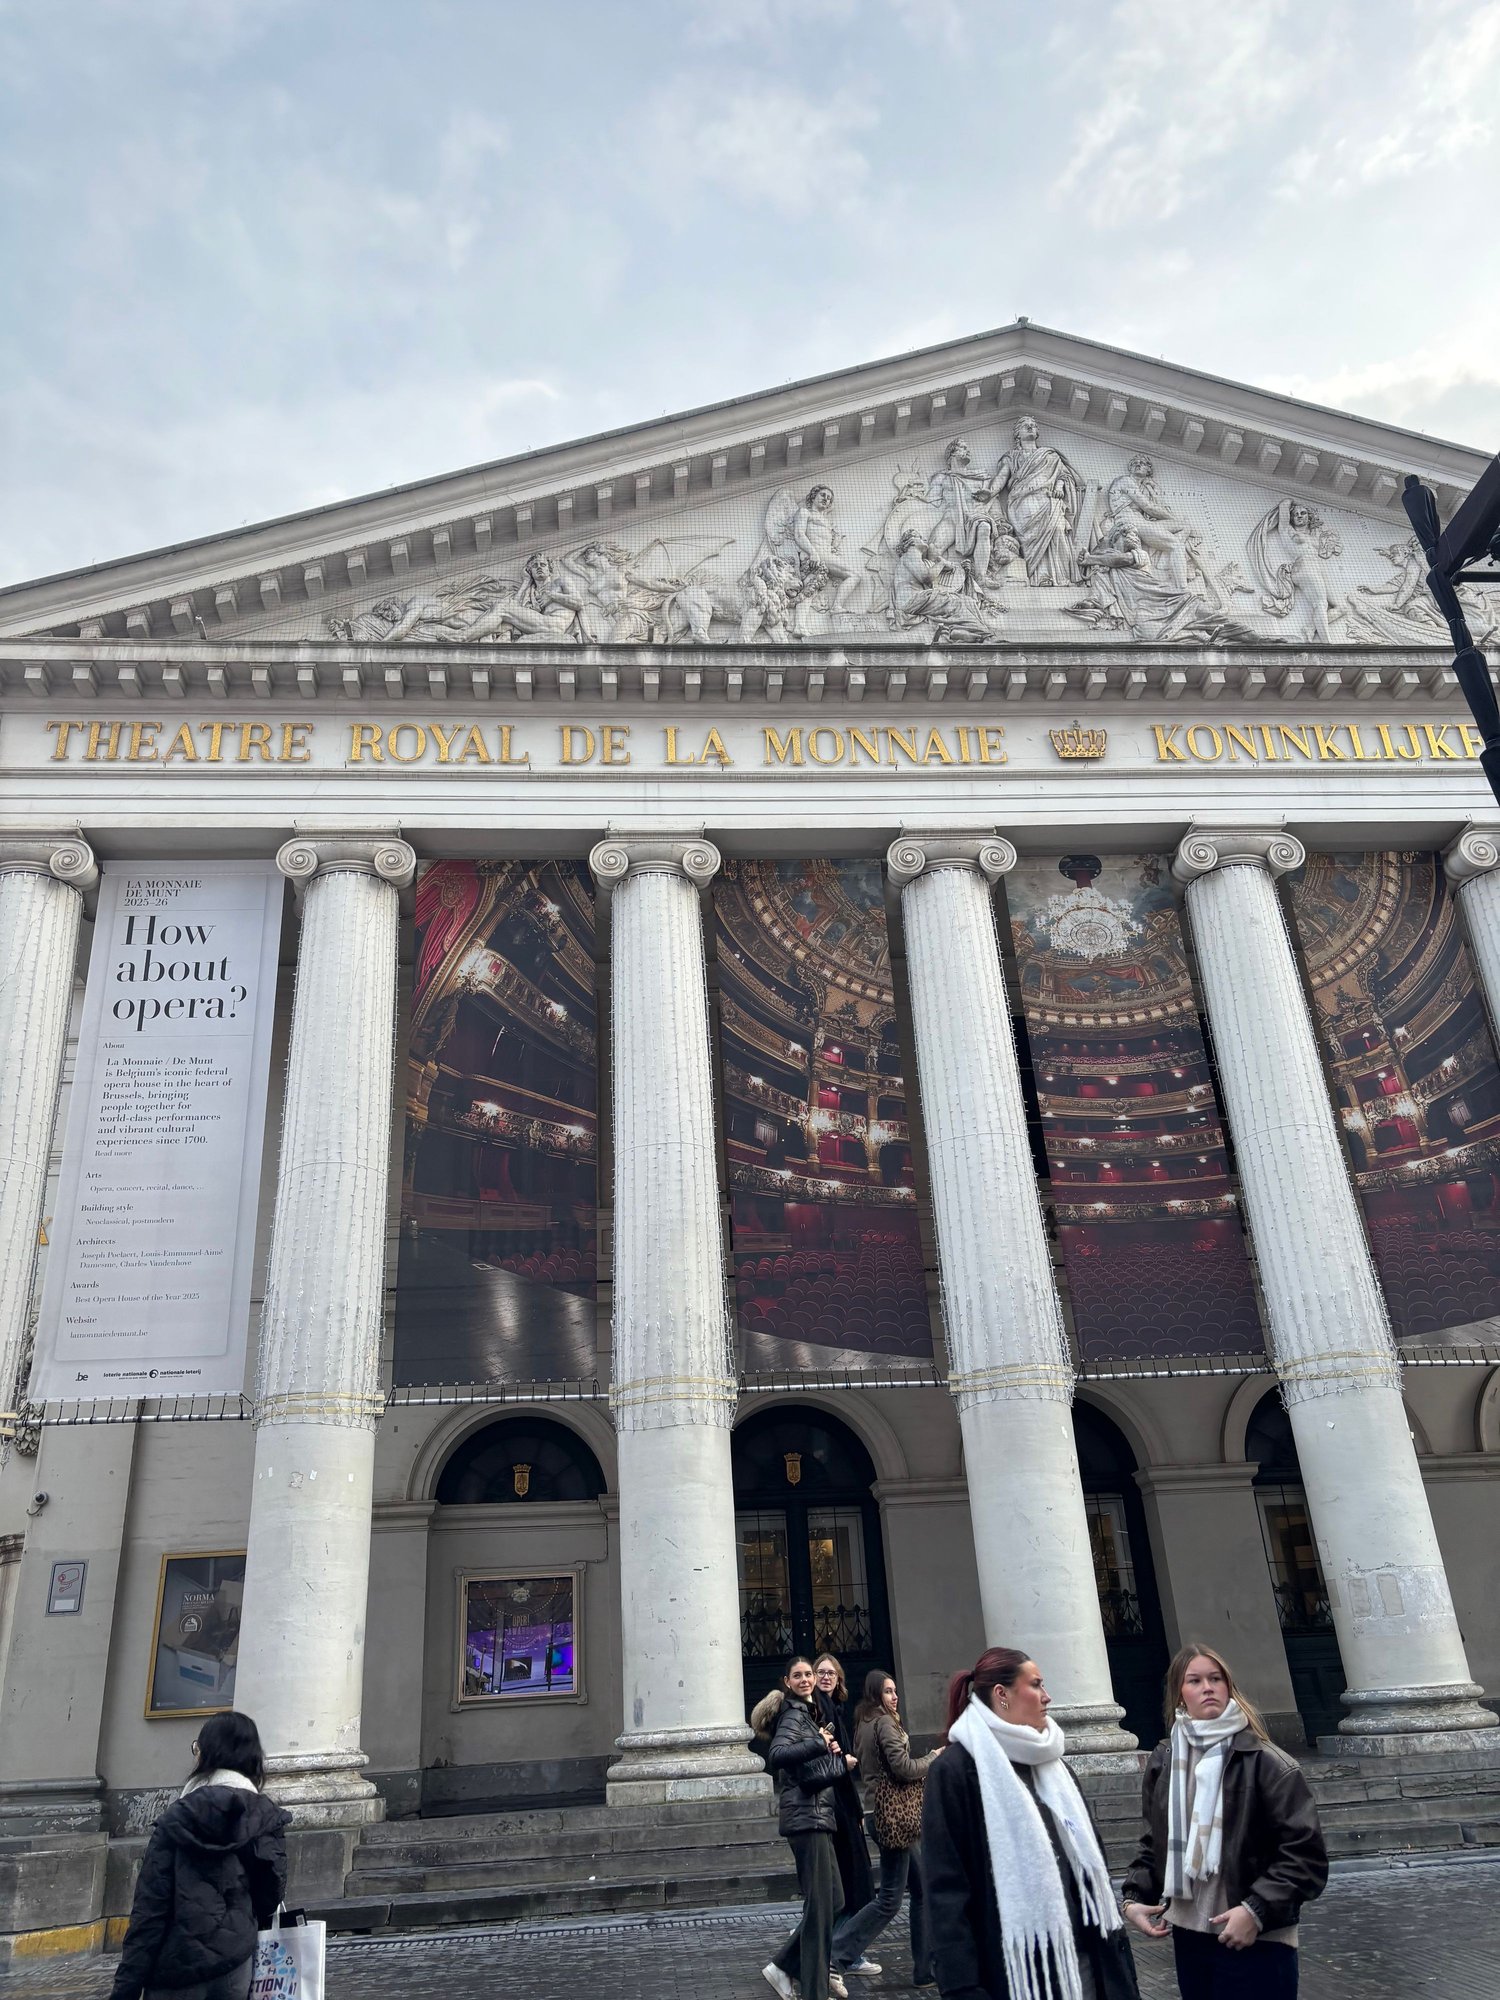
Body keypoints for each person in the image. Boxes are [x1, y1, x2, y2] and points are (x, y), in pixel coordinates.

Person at [923, 1647, 1139, 2000]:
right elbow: (945, 1888)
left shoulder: (1055, 1766)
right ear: (1002, 1695)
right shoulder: (956, 1772)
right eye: (1036, 1685)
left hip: (1086, 1966)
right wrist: (961, 1985)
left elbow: (1086, 1870)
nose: (1047, 1696)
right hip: (1014, 1974)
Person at [1121, 1644, 1327, 1999]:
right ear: (1179, 1695)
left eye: (1216, 1679)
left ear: (1229, 1687)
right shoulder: (1166, 1759)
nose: (1208, 1687)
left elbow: (1305, 1858)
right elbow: (1157, 1841)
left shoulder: (1268, 1763)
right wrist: (1134, 1897)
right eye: (1195, 1680)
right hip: (1189, 1934)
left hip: (1255, 1936)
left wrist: (1255, 1911)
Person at [111, 1711, 290, 2000]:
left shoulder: (176, 1818)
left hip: (174, 1972)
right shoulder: (262, 1817)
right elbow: (269, 1896)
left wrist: (126, 1988)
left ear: (206, 1754)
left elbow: (150, 1910)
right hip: (234, 1968)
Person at [831, 1668, 937, 1985]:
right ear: (877, 1694)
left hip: (882, 1815)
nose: (895, 1696)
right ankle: (836, 1953)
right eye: (889, 1691)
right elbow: (903, 1769)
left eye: (895, 1691)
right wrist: (934, 1757)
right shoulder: (885, 1723)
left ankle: (925, 1970)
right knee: (890, 1899)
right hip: (894, 1817)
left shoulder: (864, 1722)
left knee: (921, 1890)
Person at [760, 1655, 853, 2000]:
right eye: (797, 1675)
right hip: (806, 1819)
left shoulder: (807, 1716)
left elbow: (809, 1773)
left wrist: (835, 1759)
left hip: (817, 1816)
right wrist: (821, 1744)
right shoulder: (794, 1713)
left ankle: (784, 1964)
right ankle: (814, 1990)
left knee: (835, 1901)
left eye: (808, 1674)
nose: (805, 1679)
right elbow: (779, 1755)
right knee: (821, 1906)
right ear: (787, 1682)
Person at [811, 1655, 874, 1938]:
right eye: (820, 1672)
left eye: (831, 1674)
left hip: (843, 1802)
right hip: (832, 1803)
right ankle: (841, 1945)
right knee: (849, 1879)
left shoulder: (835, 1708)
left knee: (850, 1878)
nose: (826, 1677)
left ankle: (838, 1942)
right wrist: (843, 1763)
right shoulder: (817, 1710)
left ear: (839, 1680)